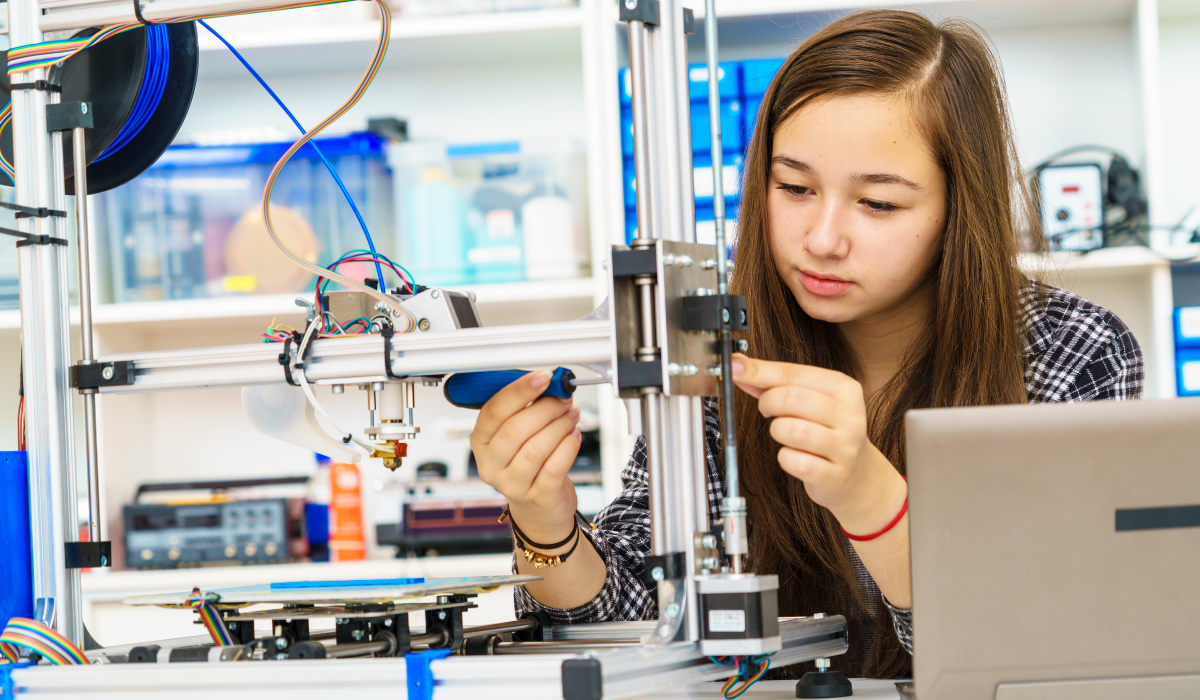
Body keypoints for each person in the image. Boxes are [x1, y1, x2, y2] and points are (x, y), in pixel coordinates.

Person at [469, 9, 1143, 679]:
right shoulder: (722, 348)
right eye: (794, 187)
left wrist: (868, 495)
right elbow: (633, 612)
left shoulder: (1073, 351)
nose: (822, 238)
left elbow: (1044, 651)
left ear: (958, 208)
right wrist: (542, 514)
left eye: (878, 203)